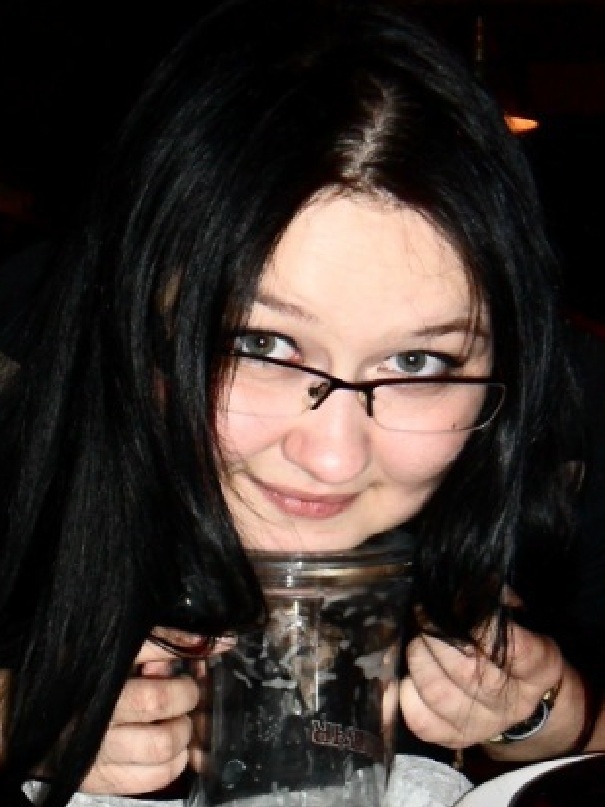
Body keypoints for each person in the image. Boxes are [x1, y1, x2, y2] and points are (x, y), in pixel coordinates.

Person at [0, 1, 603, 804]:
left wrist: (552, 715)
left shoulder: (565, 456)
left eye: (417, 361)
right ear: (142, 315)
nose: (334, 456)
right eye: (262, 344)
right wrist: (18, 718)